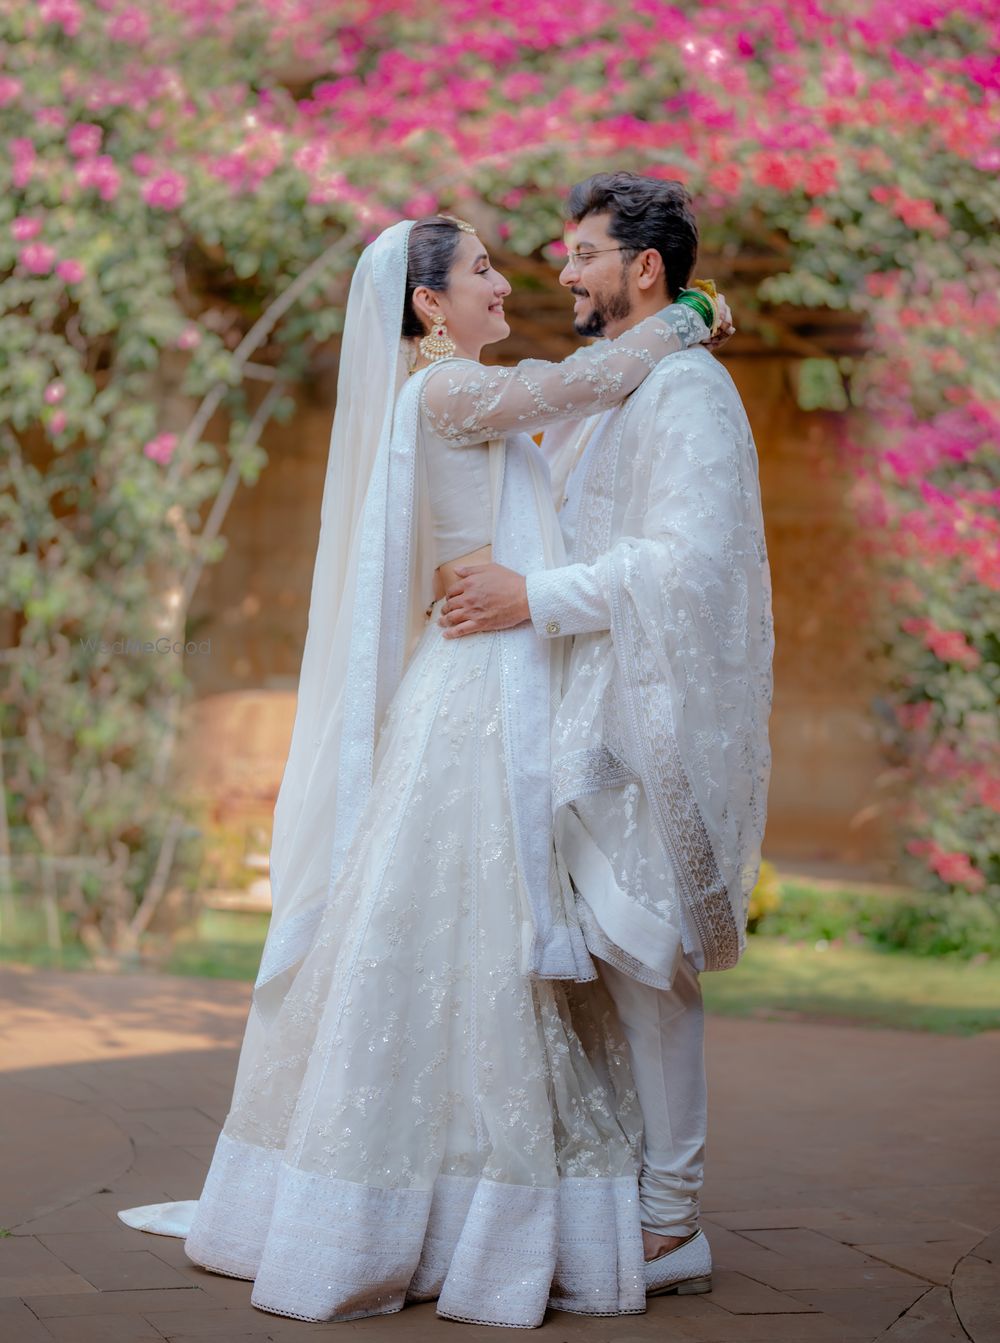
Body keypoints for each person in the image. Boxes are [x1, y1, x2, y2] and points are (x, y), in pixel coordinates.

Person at [116, 214, 731, 1327]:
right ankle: (438, 1210)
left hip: (501, 680)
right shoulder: (444, 394)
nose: (510, 284)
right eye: (484, 270)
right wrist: (691, 312)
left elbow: (573, 397)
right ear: (426, 305)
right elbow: (590, 378)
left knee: (484, 946)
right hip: (477, 698)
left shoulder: (461, 394)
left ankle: (480, 1202)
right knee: (468, 946)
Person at [439, 173, 774, 1296]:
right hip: (569, 703)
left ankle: (674, 1220)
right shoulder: (620, 388)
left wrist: (533, 595)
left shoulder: (685, 394)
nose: (562, 270)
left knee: (647, 962)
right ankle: (617, 1193)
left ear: (644, 266)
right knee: (590, 968)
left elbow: (693, 565)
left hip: (637, 719)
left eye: (582, 251)